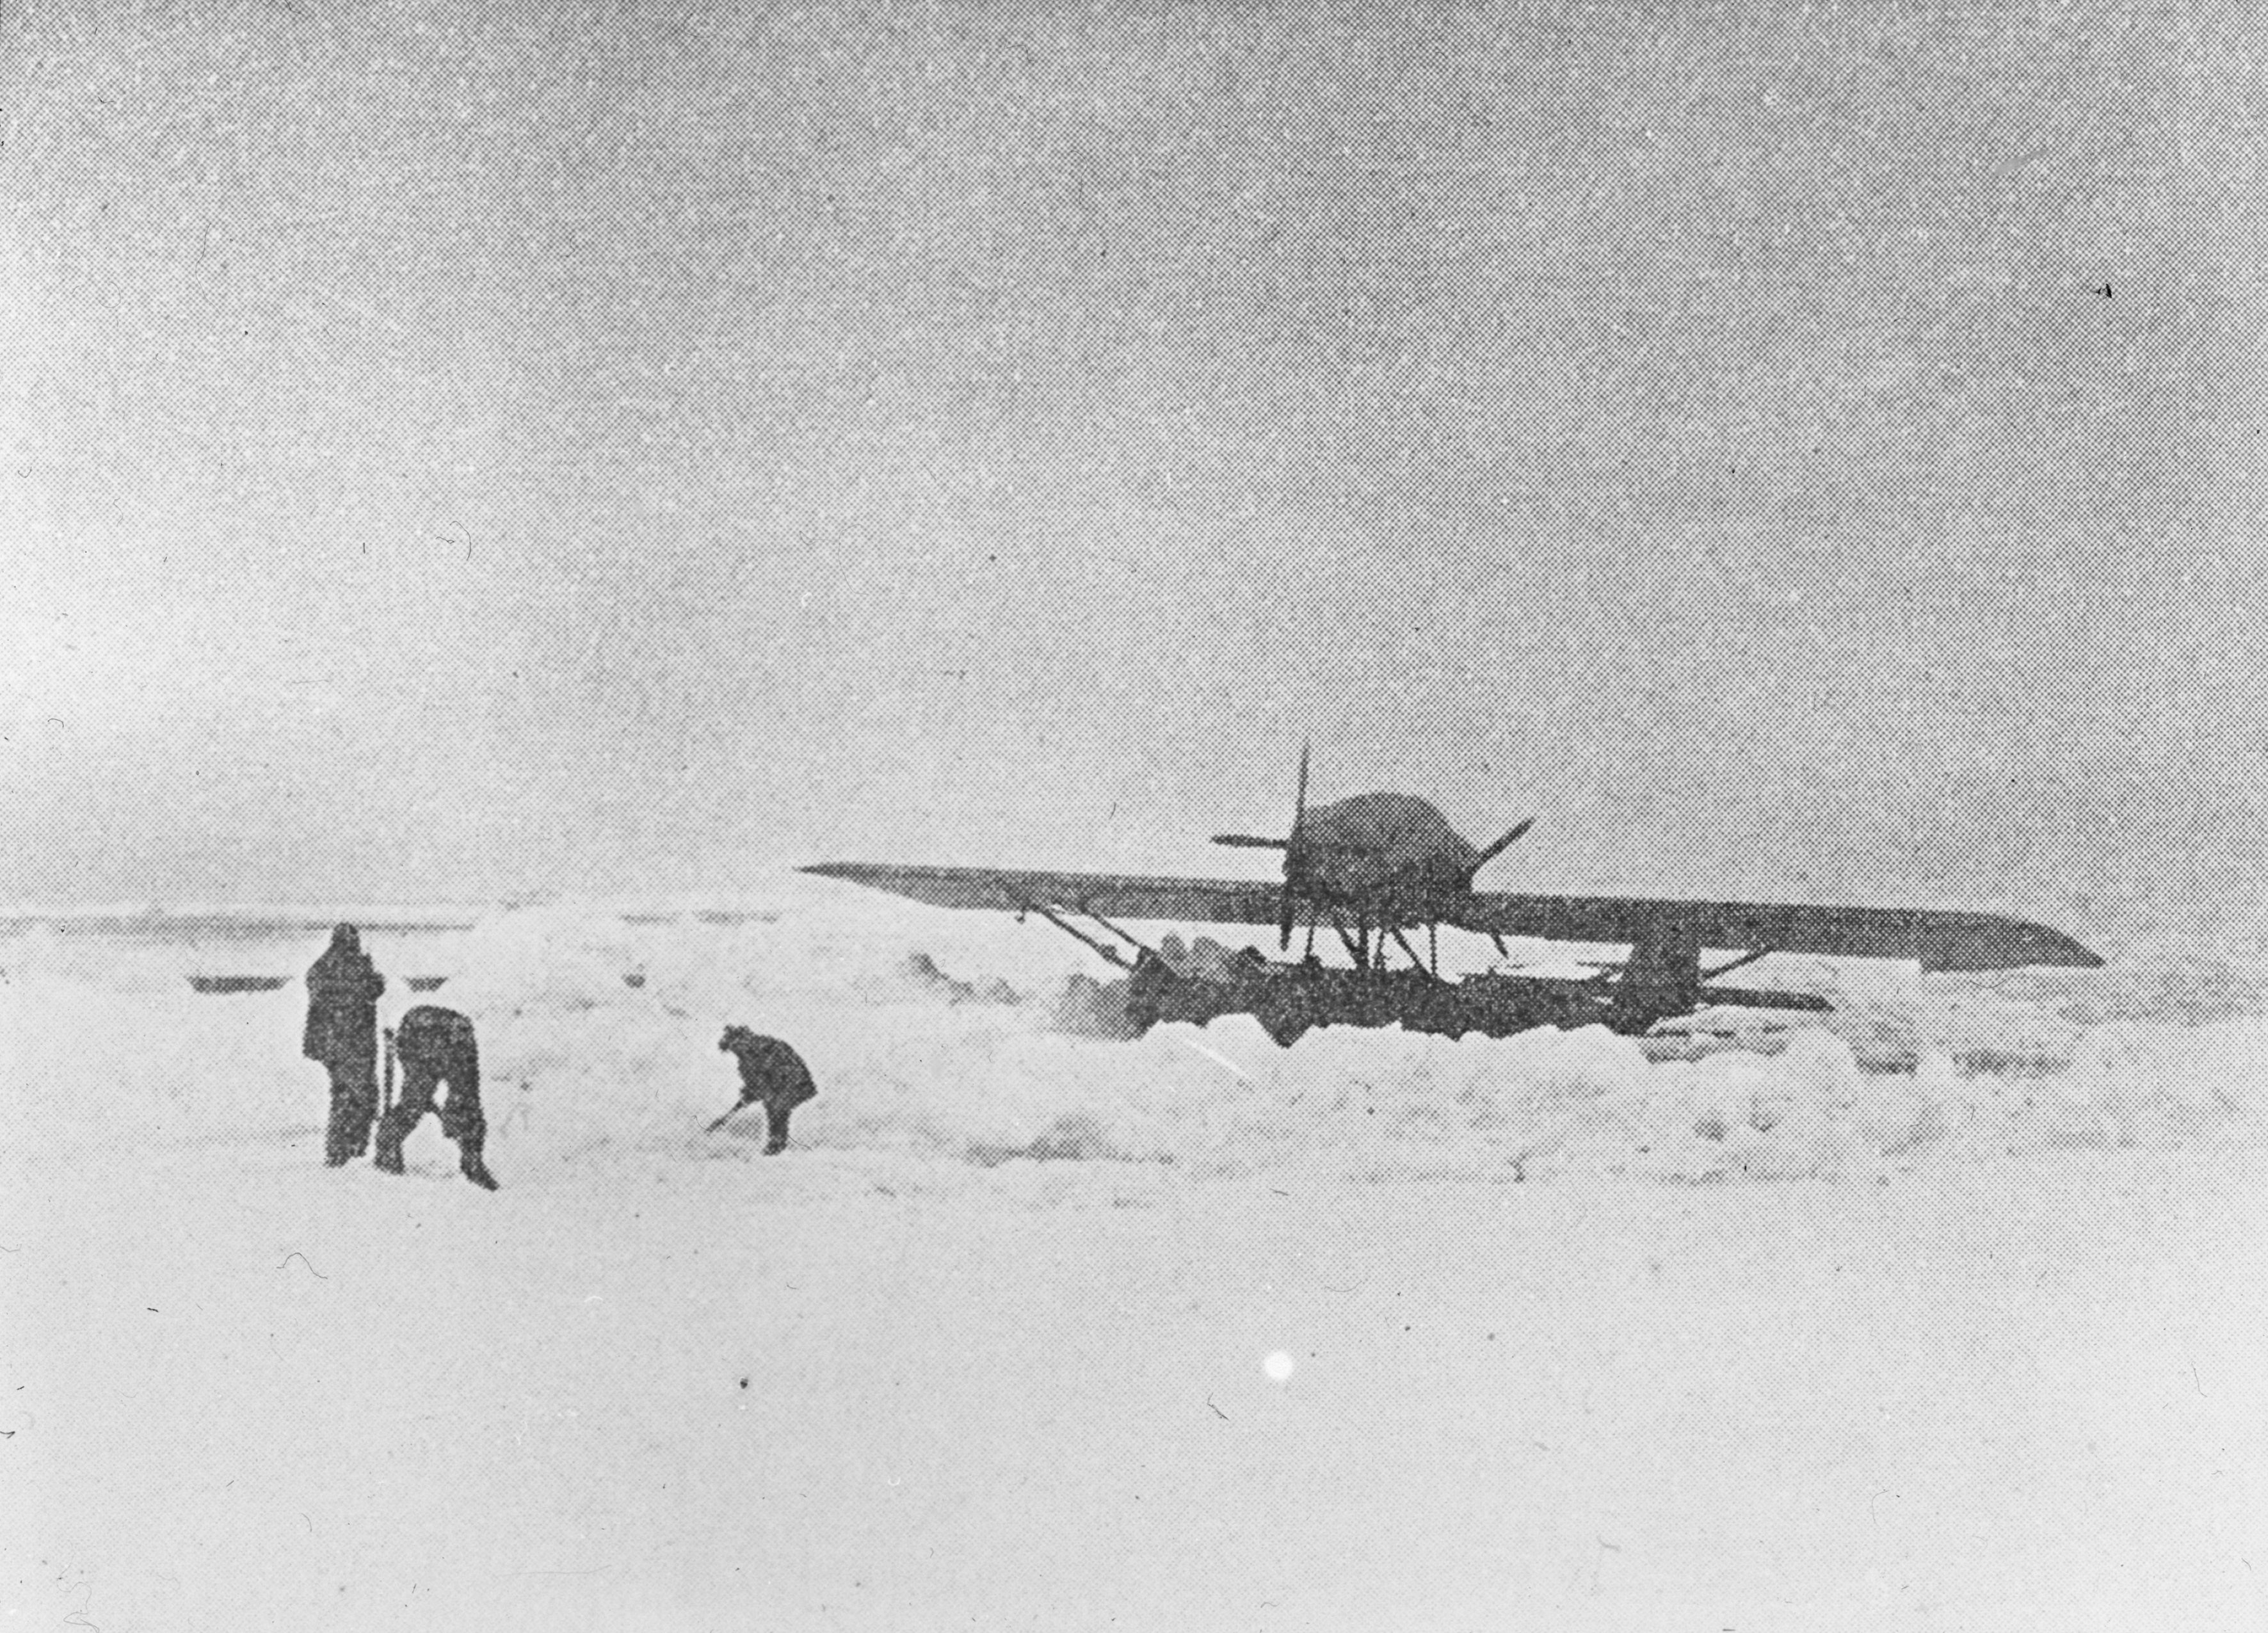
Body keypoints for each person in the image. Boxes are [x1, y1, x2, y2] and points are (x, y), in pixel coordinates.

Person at [374, 1004, 499, 1191]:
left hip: (427, 1028)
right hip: (433, 1029)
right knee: (427, 1098)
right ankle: (471, 1161)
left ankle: (471, 1161)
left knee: (429, 1098)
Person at [305, 923, 386, 1166]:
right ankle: (349, 1150)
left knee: (344, 1095)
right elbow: (367, 994)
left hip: (333, 1046)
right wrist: (374, 979)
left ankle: (341, 1150)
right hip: (353, 1045)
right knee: (361, 1095)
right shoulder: (354, 966)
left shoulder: (322, 965)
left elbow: (323, 993)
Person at [709, 1027, 818, 1154]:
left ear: (742, 1041)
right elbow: (754, 1083)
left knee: (776, 1105)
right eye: (732, 1050)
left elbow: (781, 1073)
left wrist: (763, 1090)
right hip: (779, 1086)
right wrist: (748, 1095)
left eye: (735, 1047)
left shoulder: (768, 1047)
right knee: (773, 1104)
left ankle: (777, 1144)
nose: (735, 1052)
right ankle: (776, 1143)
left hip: (797, 1083)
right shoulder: (745, 1061)